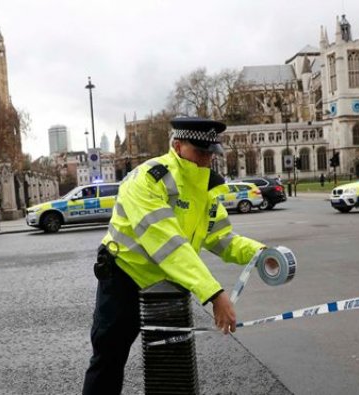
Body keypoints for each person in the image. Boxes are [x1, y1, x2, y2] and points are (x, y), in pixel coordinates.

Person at [82, 117, 268, 394]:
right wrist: (214, 294)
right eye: (200, 152)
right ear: (178, 145)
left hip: (167, 287)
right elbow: (168, 242)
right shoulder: (148, 178)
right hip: (124, 278)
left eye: (210, 154)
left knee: (171, 366)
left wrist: (261, 254)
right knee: (109, 359)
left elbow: (222, 239)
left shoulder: (204, 190)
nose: (205, 161)